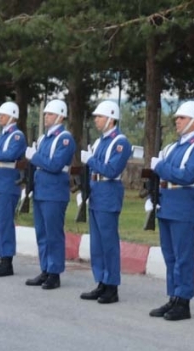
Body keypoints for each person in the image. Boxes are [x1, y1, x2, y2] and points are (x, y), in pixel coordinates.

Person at [149, 101, 194, 321]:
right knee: (170, 256)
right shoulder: (172, 147)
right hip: (167, 204)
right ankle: (173, 296)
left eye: (182, 118)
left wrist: (160, 167)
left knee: (183, 256)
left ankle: (183, 301)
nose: (177, 121)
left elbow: (187, 176)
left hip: (184, 206)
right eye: (177, 118)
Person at [79, 101, 131, 304]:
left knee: (108, 242)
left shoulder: (120, 142)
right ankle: (101, 281)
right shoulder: (100, 142)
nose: (96, 120)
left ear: (111, 117)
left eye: (99, 117)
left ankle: (112, 286)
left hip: (109, 191)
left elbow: (111, 170)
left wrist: (90, 160)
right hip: (96, 191)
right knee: (97, 244)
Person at [24, 99, 75, 290]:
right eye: (45, 114)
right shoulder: (45, 138)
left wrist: (35, 157)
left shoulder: (64, 138)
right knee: (42, 233)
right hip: (41, 190)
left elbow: (54, 165)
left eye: (50, 114)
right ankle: (45, 268)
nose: (46, 117)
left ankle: (55, 273)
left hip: (54, 192)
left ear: (60, 116)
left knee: (53, 234)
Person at [0, 101, 26, 277]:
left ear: (12, 116)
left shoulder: (17, 136)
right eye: (0, 114)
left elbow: (10, 155)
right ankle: (2, 258)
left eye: (3, 114)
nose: (0, 116)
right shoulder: (0, 136)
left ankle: (7, 261)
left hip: (8, 184)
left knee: (6, 222)